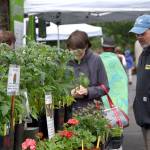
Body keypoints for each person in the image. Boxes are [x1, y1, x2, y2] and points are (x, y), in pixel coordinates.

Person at [66, 30, 109, 111]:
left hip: (93, 111)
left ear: (86, 47)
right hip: (70, 111)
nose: (76, 56)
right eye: (73, 52)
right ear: (69, 48)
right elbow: (57, 89)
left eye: (80, 52)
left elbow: (105, 88)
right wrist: (70, 93)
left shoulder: (96, 60)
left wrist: (88, 91)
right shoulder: (64, 61)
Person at [100, 37, 128, 150]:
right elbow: (123, 80)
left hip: (103, 102)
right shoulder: (118, 60)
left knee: (103, 134)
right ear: (114, 48)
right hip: (117, 105)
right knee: (116, 134)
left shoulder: (98, 59)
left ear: (103, 48)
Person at [129, 14, 150, 150]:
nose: (138, 37)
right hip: (145, 119)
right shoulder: (144, 52)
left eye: (142, 33)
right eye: (136, 34)